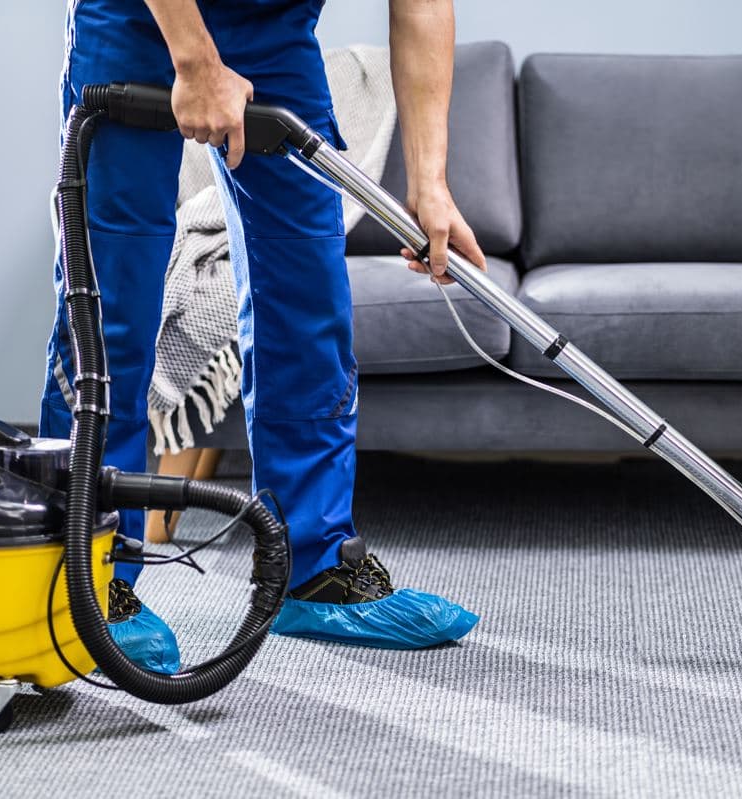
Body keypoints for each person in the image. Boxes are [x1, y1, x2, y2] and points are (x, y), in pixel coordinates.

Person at [40, 0, 484, 671]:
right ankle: (90, 573)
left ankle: (313, 569)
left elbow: (421, 5)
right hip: (137, 19)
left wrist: (429, 183)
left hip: (271, 27)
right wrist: (194, 61)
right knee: (113, 300)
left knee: (306, 289)